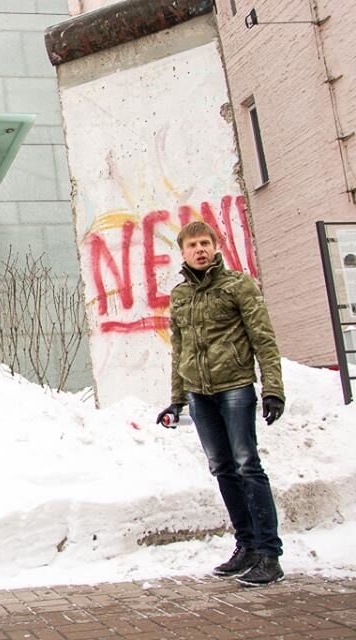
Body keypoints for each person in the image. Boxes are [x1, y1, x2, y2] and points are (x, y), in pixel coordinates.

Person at [157, 221, 286, 587]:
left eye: (205, 243)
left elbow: (263, 338)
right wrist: (177, 400)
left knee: (248, 466)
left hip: (235, 387)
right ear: (182, 253)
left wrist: (273, 388)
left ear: (216, 246)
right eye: (192, 245)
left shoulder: (237, 286)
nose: (199, 250)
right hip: (199, 394)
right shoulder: (181, 295)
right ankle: (246, 546)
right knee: (222, 468)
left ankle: (269, 554)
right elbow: (179, 349)